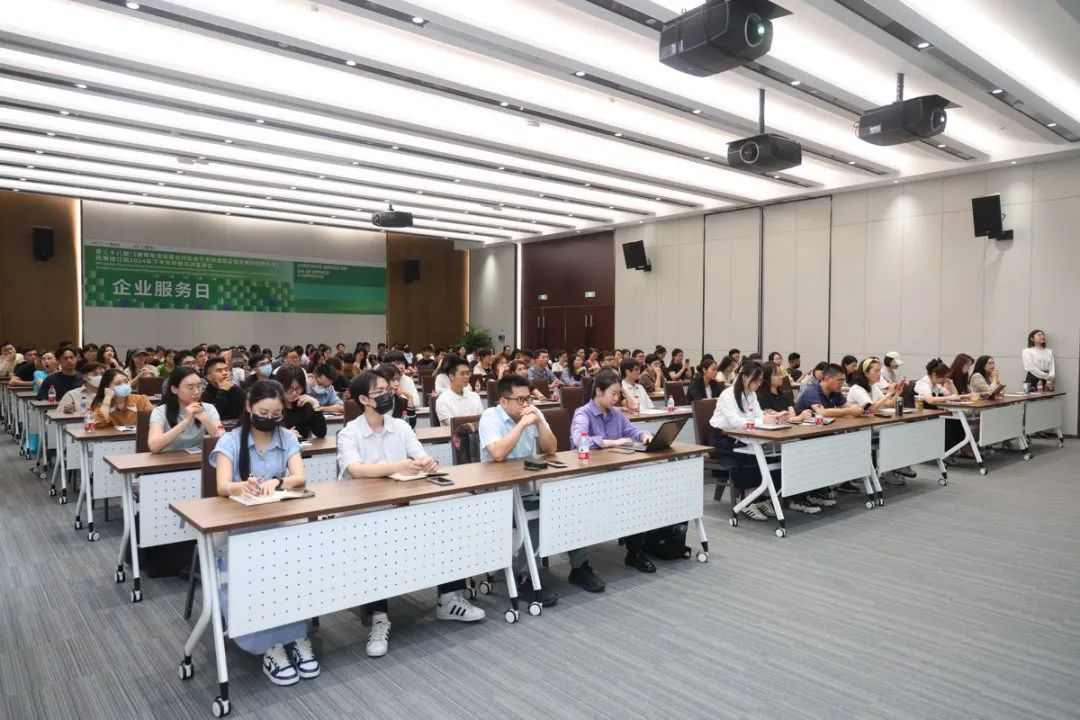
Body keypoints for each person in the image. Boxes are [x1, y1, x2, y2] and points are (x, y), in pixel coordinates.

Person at [337, 371, 483, 657]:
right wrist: (397, 466)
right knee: (374, 544)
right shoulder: (349, 433)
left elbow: (420, 455)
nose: (388, 395)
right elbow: (355, 470)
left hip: (404, 503)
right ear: (364, 399)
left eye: (388, 389)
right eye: (380, 392)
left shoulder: (401, 427)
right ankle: (379, 617)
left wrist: (427, 462)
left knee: (447, 519)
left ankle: (448, 598)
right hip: (368, 510)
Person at [210, 379, 318, 686]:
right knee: (252, 575)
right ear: (248, 407)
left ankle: (297, 635)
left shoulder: (286, 437)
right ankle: (268, 646)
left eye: (275, 414)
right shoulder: (231, 440)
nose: (270, 419)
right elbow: (222, 487)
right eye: (263, 413)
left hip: (278, 520)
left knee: (296, 570)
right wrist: (242, 486)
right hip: (239, 526)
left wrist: (278, 482)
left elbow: (299, 477)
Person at [478, 375, 560, 605]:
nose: (526, 404)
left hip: (524, 486)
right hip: (496, 491)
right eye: (521, 400)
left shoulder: (533, 412)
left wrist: (539, 422)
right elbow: (497, 454)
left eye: (529, 398)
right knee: (533, 515)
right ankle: (524, 576)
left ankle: (523, 569)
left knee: (554, 505)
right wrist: (522, 425)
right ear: (503, 401)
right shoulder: (490, 417)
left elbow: (552, 448)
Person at [571, 369, 656, 574]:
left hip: (614, 474)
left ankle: (635, 552)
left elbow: (631, 431)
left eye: (619, 394)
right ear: (598, 392)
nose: (617, 398)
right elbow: (579, 440)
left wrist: (644, 436)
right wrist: (613, 442)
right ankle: (581, 566)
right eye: (614, 394)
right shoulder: (583, 413)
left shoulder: (616, 413)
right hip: (587, 477)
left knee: (638, 497)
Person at [708, 361, 785, 521]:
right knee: (750, 456)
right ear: (744, 377)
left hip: (744, 437)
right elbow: (735, 422)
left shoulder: (752, 394)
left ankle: (762, 498)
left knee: (772, 455)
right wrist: (763, 420)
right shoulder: (728, 394)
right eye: (755, 380)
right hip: (722, 439)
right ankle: (747, 501)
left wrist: (772, 417)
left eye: (760, 380)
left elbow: (757, 415)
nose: (758, 384)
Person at [756, 362, 819, 514]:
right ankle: (794, 498)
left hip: (787, 435)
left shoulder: (784, 395)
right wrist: (796, 418)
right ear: (767, 378)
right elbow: (774, 419)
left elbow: (791, 416)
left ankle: (804, 493)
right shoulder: (760, 396)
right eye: (777, 374)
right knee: (799, 453)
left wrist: (798, 417)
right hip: (771, 441)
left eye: (781, 374)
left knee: (810, 449)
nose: (781, 377)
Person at [148, 367, 222, 453]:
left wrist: (206, 420)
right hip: (168, 460)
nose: (197, 392)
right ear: (174, 389)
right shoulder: (160, 411)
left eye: (199, 386)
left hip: (198, 459)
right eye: (190, 388)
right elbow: (154, 446)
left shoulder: (208, 408)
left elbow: (222, 435)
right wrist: (185, 422)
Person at [91, 368, 156, 428]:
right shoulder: (102, 404)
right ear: (107, 388)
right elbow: (99, 423)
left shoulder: (141, 399)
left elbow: (155, 420)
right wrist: (107, 397)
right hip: (113, 437)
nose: (124, 385)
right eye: (118, 383)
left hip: (138, 436)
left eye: (126, 381)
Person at [276, 365, 326, 440]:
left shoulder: (305, 404)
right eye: (289, 388)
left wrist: (316, 405)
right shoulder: (272, 407)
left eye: (298, 388)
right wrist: (285, 435)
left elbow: (321, 433)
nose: (294, 393)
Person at [435, 355, 484, 425]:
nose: (466, 377)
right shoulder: (442, 400)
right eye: (462, 374)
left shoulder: (475, 396)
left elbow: (483, 420)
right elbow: (452, 425)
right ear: (451, 376)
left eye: (468, 373)